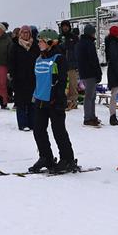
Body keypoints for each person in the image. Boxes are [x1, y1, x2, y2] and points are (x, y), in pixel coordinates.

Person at [28, 29, 77, 173]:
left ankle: (67, 159)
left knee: (59, 131)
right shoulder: (38, 58)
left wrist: (56, 98)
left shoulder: (58, 58)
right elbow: (37, 80)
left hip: (55, 101)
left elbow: (62, 81)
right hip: (40, 100)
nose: (38, 43)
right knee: (38, 131)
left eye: (41, 41)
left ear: (51, 42)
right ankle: (46, 157)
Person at [8, 25, 39, 131]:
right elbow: (11, 62)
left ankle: (32, 123)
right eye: (23, 32)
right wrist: (12, 75)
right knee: (21, 102)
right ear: (20, 34)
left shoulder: (35, 46)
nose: (25, 34)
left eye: (27, 32)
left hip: (32, 77)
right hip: (19, 78)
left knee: (32, 102)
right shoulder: (15, 46)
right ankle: (22, 123)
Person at [76, 23, 102, 126]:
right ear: (91, 33)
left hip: (84, 73)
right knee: (90, 96)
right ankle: (88, 118)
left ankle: (91, 116)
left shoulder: (79, 43)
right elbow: (93, 60)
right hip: (90, 73)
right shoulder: (89, 44)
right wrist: (98, 72)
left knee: (91, 95)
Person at [59, 20, 80, 110]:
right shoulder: (59, 38)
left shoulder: (74, 37)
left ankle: (73, 102)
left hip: (72, 64)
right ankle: (64, 101)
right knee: (63, 84)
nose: (65, 27)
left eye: (66, 26)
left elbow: (78, 51)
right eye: (63, 26)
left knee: (73, 84)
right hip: (62, 65)